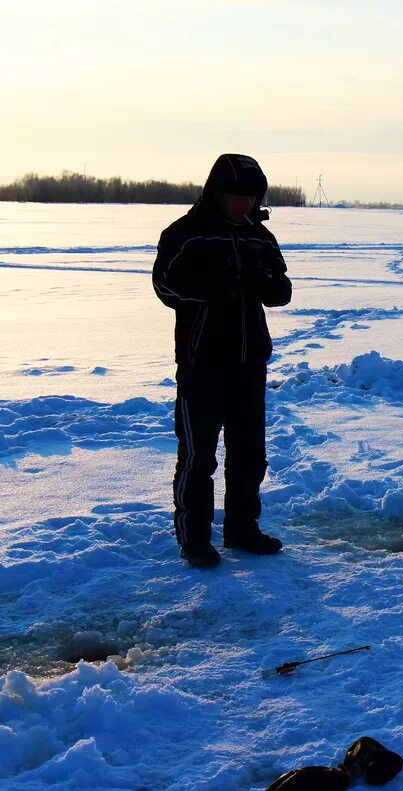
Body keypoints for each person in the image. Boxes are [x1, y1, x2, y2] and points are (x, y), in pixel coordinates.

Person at [152, 154, 292, 568]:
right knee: (199, 457)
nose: (244, 205)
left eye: (251, 197)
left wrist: (268, 284)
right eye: (236, 196)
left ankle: (242, 529)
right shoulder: (188, 233)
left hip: (250, 362)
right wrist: (222, 285)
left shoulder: (259, 236)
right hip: (203, 362)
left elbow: (282, 287)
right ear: (216, 193)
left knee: (249, 453)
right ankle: (194, 539)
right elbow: (165, 286)